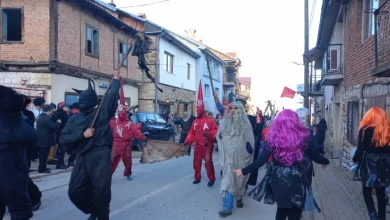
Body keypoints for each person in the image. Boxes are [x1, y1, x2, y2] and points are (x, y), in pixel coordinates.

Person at [234, 109, 329, 220]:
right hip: (297, 179)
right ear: (295, 122)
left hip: (278, 178)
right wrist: (326, 161)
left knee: (281, 209)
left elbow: (260, 161)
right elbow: (315, 157)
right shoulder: (303, 138)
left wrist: (243, 171)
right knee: (295, 211)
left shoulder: (273, 139)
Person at [60, 76, 120, 220]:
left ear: (93, 101)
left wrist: (116, 80)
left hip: (100, 154)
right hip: (82, 156)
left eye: (86, 100)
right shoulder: (74, 119)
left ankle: (102, 215)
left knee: (101, 190)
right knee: (75, 191)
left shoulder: (101, 112)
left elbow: (111, 97)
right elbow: (63, 138)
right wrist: (82, 135)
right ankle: (95, 209)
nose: (83, 103)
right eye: (81, 100)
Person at [0, 86, 37, 220]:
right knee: (20, 211)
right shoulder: (13, 120)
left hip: (9, 170)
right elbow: (32, 136)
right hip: (10, 171)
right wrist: (19, 116)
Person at [217, 102, 255, 217]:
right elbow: (219, 136)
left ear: (241, 110)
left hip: (241, 158)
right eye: (231, 108)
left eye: (236, 108)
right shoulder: (224, 123)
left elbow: (251, 142)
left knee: (239, 181)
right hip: (228, 159)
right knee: (227, 180)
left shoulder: (246, 124)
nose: (233, 111)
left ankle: (239, 197)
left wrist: (248, 152)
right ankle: (227, 208)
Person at [352, 107, 390, 220]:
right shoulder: (387, 130)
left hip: (369, 162)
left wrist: (355, 159)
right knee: (381, 191)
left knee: (366, 188)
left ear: (369, 117)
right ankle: (382, 217)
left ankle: (372, 213)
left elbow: (360, 149)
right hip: (385, 163)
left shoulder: (365, 130)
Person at [110, 81, 147, 180]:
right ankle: (108, 175)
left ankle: (128, 173)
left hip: (126, 144)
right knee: (112, 160)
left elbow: (136, 132)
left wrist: (143, 137)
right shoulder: (114, 122)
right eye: (120, 112)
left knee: (127, 161)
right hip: (116, 144)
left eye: (123, 113)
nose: (121, 114)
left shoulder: (129, 124)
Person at [184, 80, 218, 186]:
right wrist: (187, 142)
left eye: (199, 111)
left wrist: (208, 135)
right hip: (198, 146)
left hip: (207, 146)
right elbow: (191, 133)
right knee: (196, 163)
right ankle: (197, 177)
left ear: (202, 110)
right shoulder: (195, 121)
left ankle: (211, 179)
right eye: (196, 111)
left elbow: (216, 130)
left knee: (208, 163)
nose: (197, 112)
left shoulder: (210, 120)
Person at [36, 105, 61, 173]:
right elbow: (53, 127)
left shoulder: (41, 116)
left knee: (43, 155)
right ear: (49, 110)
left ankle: (43, 167)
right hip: (46, 138)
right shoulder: (47, 118)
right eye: (52, 109)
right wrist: (58, 123)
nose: (53, 111)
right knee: (44, 155)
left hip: (41, 138)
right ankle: (42, 169)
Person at [55, 102, 71, 169]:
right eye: (67, 108)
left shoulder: (60, 113)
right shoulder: (62, 114)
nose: (68, 109)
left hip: (60, 133)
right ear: (64, 107)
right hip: (62, 133)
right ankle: (60, 164)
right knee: (62, 149)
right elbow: (61, 124)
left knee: (62, 149)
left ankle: (61, 163)